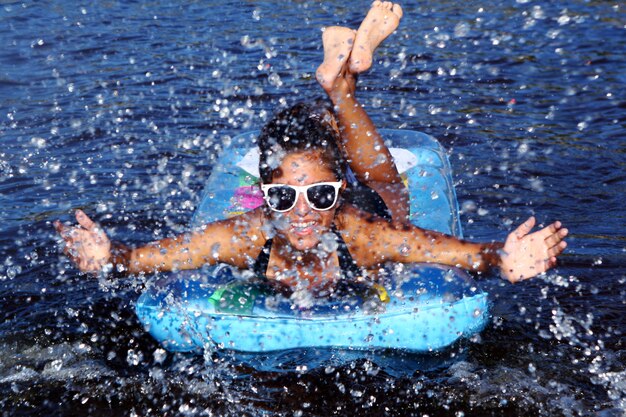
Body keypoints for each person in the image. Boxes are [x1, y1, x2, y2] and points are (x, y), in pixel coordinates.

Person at [54, 2, 568, 297]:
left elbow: (451, 252)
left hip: (365, 210)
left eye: (320, 195)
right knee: (384, 180)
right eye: (284, 198)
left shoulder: (364, 235)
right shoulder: (242, 237)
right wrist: (107, 258)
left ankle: (341, 89)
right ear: (264, 194)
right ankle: (341, 81)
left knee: (388, 190)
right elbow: (148, 258)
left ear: (337, 193)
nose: (302, 213)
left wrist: (503, 259)